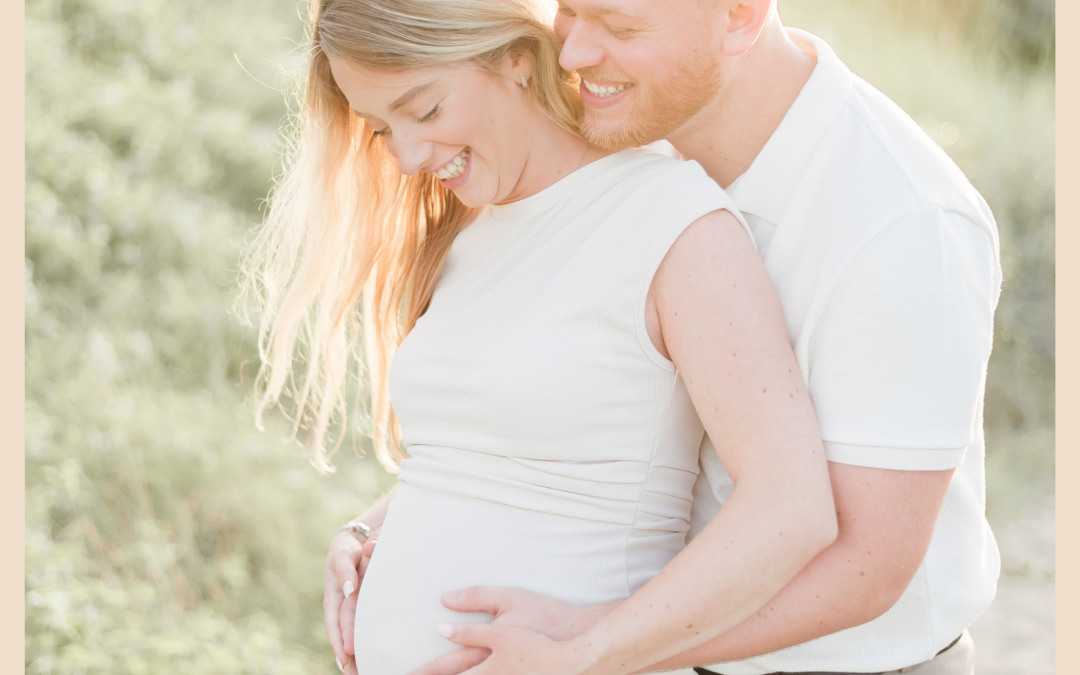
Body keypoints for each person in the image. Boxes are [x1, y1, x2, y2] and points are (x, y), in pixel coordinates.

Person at [325, 1, 1002, 674]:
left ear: (737, 15)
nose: (571, 54)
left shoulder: (902, 221)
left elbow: (866, 564)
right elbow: (558, 428)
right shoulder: (634, 133)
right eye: (567, 10)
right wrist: (385, 528)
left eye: (618, 27)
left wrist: (594, 644)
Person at [244, 1, 839, 675]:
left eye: (426, 110)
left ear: (515, 62)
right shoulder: (468, 230)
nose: (407, 156)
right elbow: (503, 456)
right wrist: (370, 530)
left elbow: (791, 508)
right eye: (381, 129)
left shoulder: (673, 222)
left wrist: (584, 653)